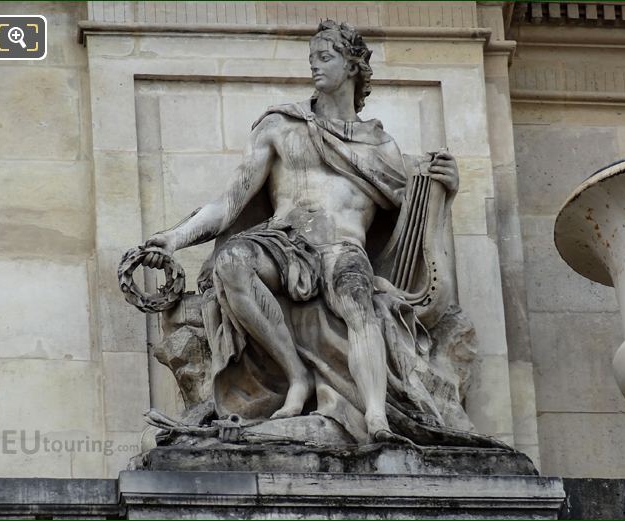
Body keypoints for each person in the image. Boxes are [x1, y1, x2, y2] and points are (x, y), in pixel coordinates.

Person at [140, 20, 459, 442]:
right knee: (233, 261)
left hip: (344, 249)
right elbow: (229, 203)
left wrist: (445, 189)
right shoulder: (280, 127)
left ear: (352, 67)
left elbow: (417, 213)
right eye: (312, 59)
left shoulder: (382, 149)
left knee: (358, 300)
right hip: (283, 241)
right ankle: (296, 377)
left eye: (324, 58)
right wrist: (174, 237)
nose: (314, 67)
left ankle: (377, 415)